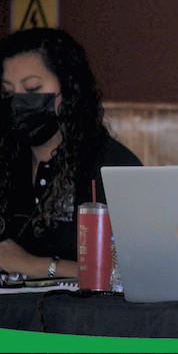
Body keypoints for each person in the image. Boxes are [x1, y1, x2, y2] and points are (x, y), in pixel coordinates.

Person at [0, 28, 142, 280]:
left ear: (68, 89)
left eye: (32, 89)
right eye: (7, 93)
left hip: (81, 306)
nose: (18, 103)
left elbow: (131, 273)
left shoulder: (112, 167)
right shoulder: (8, 161)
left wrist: (36, 266)